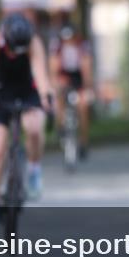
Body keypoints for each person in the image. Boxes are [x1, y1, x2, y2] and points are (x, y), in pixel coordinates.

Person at [0, 13, 54, 229]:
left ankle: (34, 169)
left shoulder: (33, 42)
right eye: (12, 49)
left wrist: (45, 95)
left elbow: (40, 74)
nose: (15, 53)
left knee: (34, 128)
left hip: (27, 92)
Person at [49, 24, 95, 158]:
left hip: (78, 76)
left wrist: (88, 87)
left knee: (83, 106)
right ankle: (60, 125)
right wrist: (54, 84)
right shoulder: (57, 46)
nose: (68, 42)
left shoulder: (83, 46)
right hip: (63, 75)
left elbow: (87, 69)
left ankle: (83, 141)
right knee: (59, 95)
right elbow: (53, 68)